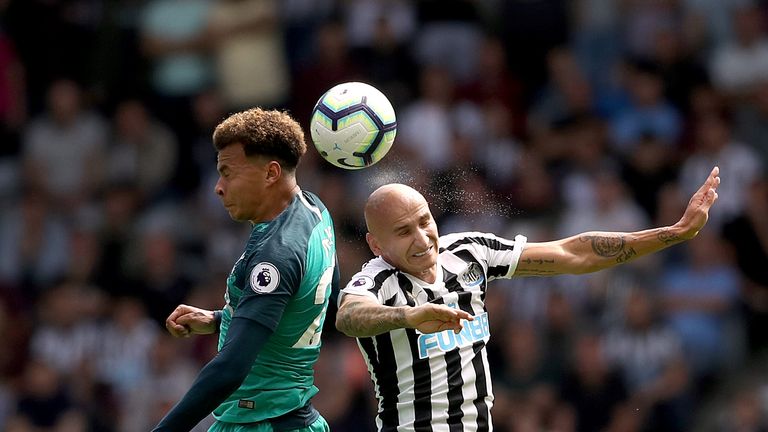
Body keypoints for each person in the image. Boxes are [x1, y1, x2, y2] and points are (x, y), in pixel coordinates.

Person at [335, 166, 721, 431]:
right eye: (403, 232)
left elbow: (574, 254)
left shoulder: (471, 252)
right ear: (376, 244)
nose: (422, 239)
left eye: (424, 221)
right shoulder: (378, 281)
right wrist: (408, 316)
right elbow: (349, 315)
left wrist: (673, 233)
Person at [153, 108, 338, 432]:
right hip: (290, 419)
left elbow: (231, 368)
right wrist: (220, 320)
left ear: (270, 173)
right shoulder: (314, 210)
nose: (218, 187)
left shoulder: (276, 253)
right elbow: (305, 306)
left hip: (261, 423)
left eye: (228, 173)